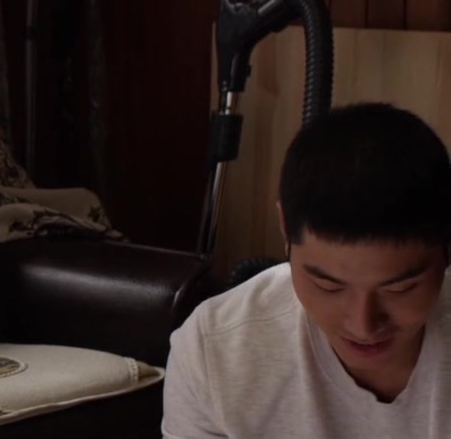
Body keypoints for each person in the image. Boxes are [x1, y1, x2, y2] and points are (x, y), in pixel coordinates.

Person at [162, 102, 451, 438]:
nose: (363, 325)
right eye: (328, 286)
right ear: (285, 228)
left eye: (400, 289)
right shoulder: (215, 351)